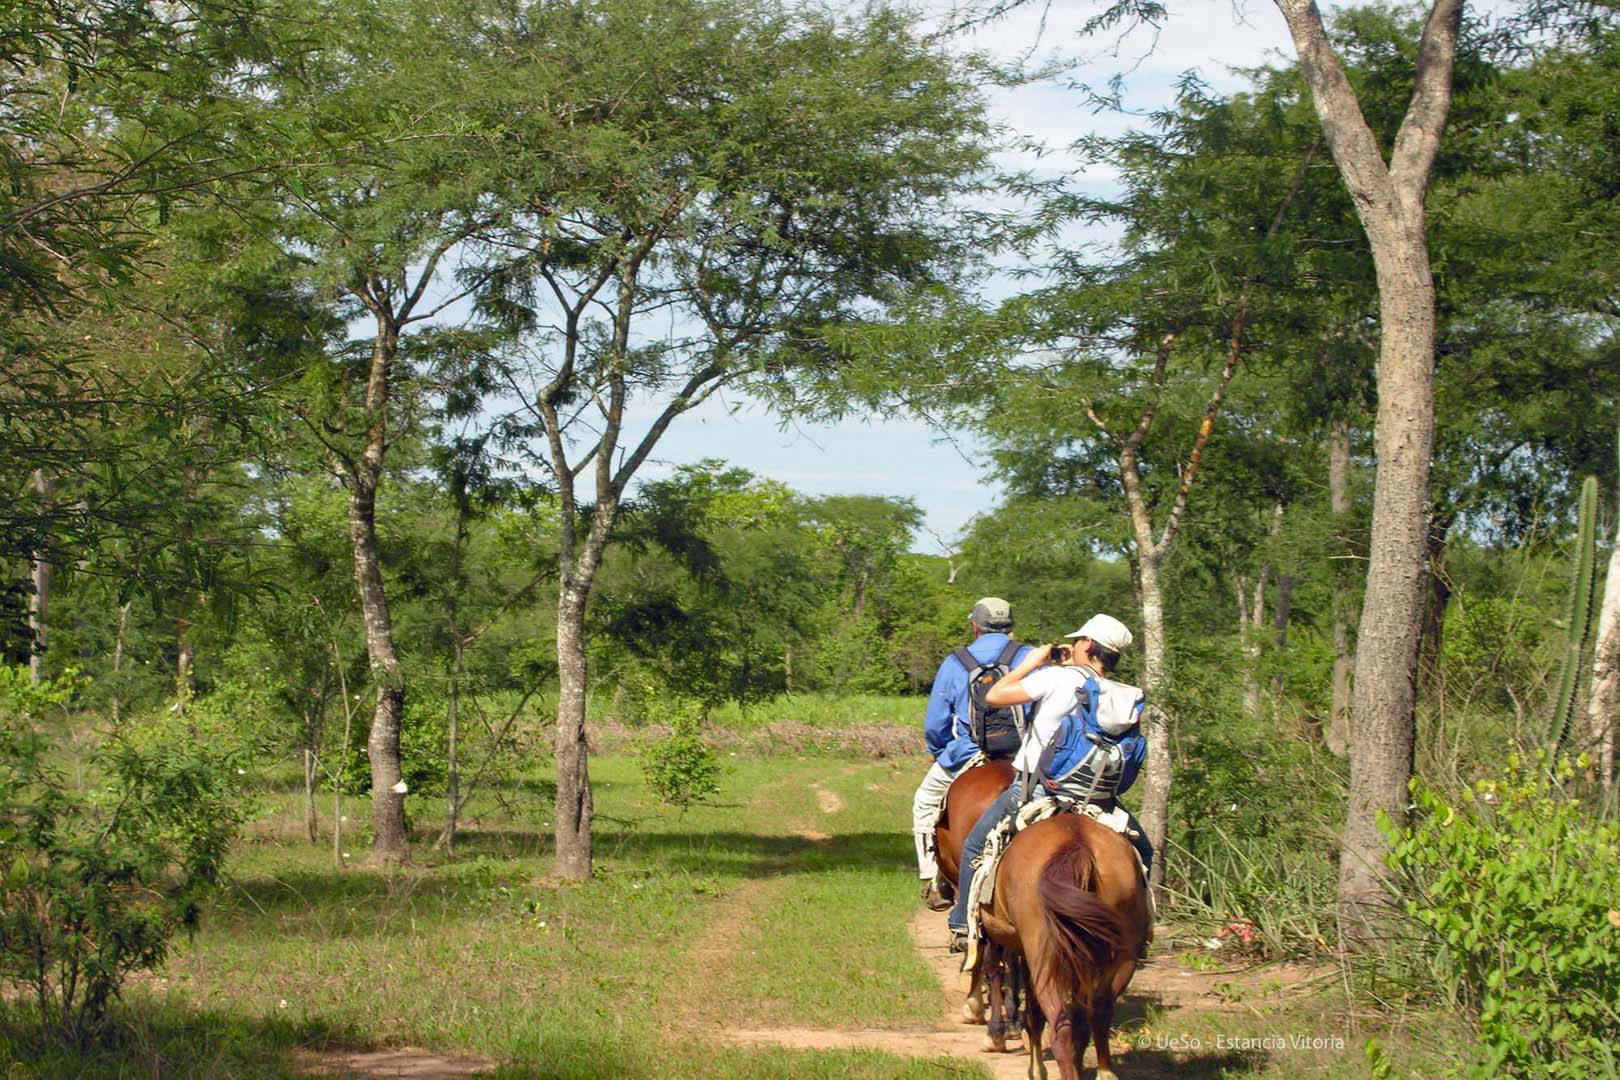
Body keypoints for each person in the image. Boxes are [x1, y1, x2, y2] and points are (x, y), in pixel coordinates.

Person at [946, 612, 1151, 949]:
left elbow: (994, 696)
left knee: (973, 845)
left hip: (1036, 789)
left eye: (1077, 640)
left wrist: (1033, 662)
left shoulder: (1056, 678)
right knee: (1143, 851)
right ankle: (1140, 933)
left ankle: (962, 926)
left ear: (1086, 644)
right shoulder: (1126, 695)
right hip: (1098, 800)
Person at [912, 597, 1032, 911]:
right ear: (1011, 626)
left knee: (925, 802)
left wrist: (943, 753)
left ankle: (933, 880)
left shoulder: (956, 662)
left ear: (975, 626)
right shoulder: (1030, 657)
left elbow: (936, 723)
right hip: (1027, 756)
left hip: (970, 753)